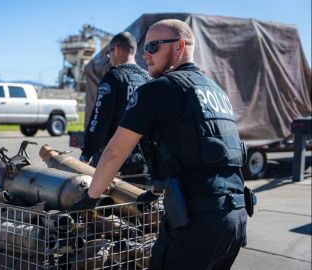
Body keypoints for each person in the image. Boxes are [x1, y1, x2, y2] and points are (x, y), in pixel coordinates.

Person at [70, 19, 252, 270]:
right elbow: (194, 152)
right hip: (235, 219)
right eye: (145, 48)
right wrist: (155, 190)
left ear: (179, 46)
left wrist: (90, 197)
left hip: (195, 223)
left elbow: (114, 152)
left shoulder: (157, 90)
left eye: (154, 46)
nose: (145, 55)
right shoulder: (216, 91)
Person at [80, 31, 152, 186]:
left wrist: (86, 154)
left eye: (109, 53)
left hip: (114, 158)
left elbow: (99, 120)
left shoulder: (113, 78)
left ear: (117, 49)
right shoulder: (149, 80)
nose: (109, 58)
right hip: (143, 160)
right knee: (138, 206)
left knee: (104, 205)